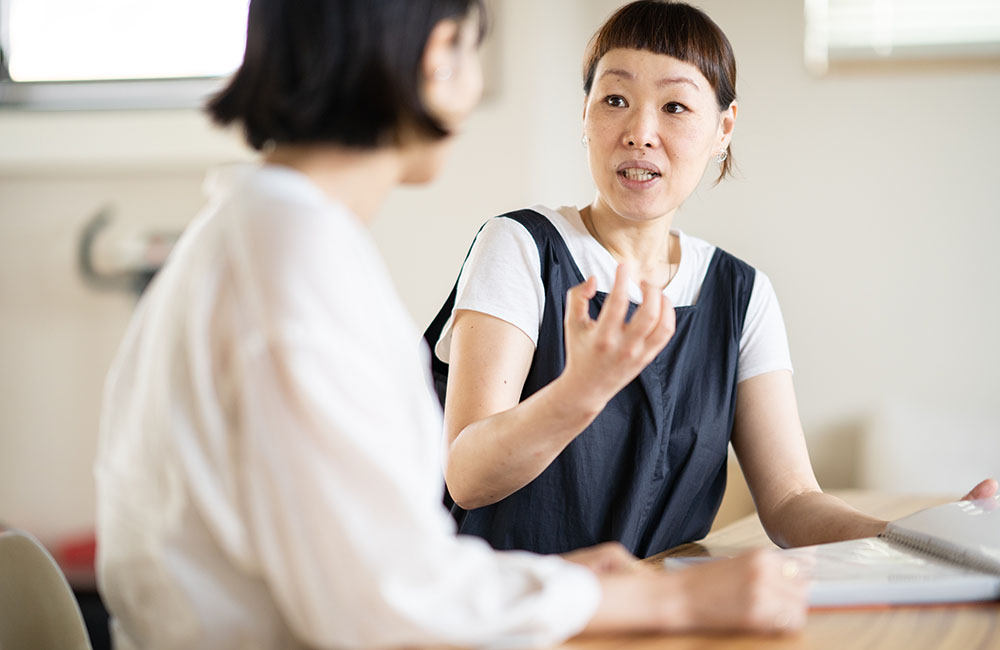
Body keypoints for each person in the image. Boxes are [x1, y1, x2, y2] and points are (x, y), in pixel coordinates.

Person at [94, 1, 814, 647]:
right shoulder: (295, 264)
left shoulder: (269, 237)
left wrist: (583, 589)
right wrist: (667, 600)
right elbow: (390, 602)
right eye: (475, 51)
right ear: (439, 58)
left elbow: (388, 566)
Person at [426, 0, 997, 558]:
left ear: (723, 127)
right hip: (515, 617)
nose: (640, 132)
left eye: (675, 107)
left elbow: (792, 500)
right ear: (585, 115)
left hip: (660, 619)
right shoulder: (521, 247)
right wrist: (581, 392)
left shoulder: (742, 294)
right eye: (615, 99)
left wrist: (915, 536)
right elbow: (468, 477)